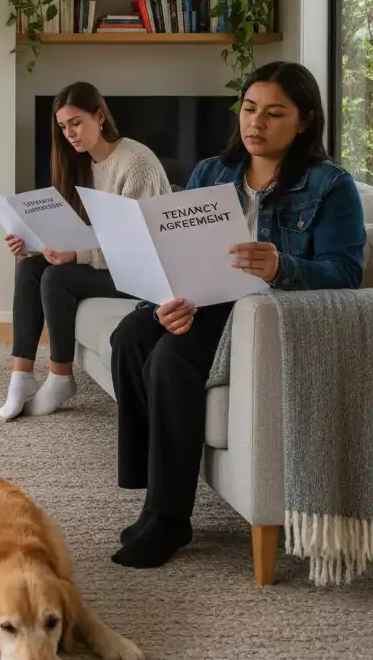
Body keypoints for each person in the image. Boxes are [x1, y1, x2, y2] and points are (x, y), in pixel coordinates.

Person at [109, 61, 366, 569]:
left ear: (305, 120)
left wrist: (281, 264)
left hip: (267, 313)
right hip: (207, 299)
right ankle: (152, 488)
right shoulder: (212, 171)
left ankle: (170, 520)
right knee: (132, 333)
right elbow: (178, 248)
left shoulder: (330, 185)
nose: (256, 123)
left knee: (172, 359)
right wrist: (169, 297)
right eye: (249, 109)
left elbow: (346, 272)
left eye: (274, 113)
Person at [0, 82, 171, 421]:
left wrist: (76, 256)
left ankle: (60, 376)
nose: (70, 134)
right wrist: (30, 242)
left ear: (100, 116)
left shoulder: (135, 162)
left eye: (76, 122)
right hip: (111, 265)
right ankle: (21, 375)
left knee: (57, 277)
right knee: (31, 268)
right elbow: (79, 233)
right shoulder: (82, 164)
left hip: (146, 272)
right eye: (63, 127)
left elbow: (137, 246)